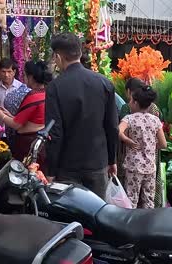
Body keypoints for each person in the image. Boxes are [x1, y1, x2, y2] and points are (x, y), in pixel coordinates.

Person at [46, 32, 119, 199]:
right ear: (79, 52)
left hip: (68, 166)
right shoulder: (104, 83)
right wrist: (111, 159)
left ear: (58, 56)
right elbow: (112, 126)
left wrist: (51, 170)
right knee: (97, 215)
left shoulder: (55, 87)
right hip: (97, 163)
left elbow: (54, 133)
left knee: (71, 216)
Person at [0, 61, 53, 171]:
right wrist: (9, 115)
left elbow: (17, 124)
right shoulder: (45, 93)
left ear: (31, 77)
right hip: (38, 140)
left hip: (29, 143)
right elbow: (30, 120)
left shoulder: (34, 96)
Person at [119, 84, 167, 209]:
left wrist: (127, 140)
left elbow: (118, 131)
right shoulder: (155, 120)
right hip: (150, 166)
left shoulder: (129, 119)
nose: (129, 102)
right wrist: (151, 145)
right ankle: (147, 226)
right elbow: (163, 144)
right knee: (149, 200)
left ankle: (129, 226)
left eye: (130, 100)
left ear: (135, 102)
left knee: (131, 199)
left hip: (133, 166)